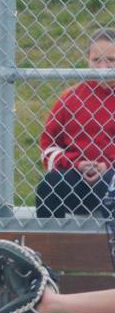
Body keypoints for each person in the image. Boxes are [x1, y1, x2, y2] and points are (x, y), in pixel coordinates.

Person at [35, 28, 115, 218]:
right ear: (87, 59)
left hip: (112, 179)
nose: (103, 67)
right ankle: (49, 237)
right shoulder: (70, 98)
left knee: (109, 184)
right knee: (49, 186)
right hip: (77, 177)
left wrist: (108, 166)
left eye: (111, 60)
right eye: (96, 60)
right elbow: (48, 147)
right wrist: (76, 164)